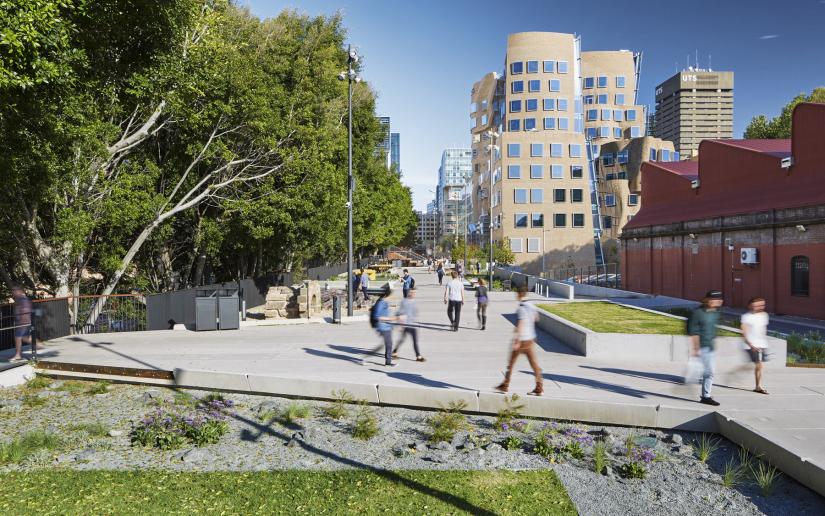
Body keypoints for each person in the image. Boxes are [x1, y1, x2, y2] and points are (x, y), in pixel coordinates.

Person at [495, 286, 543, 396]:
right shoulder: (531, 305)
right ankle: (539, 387)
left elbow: (521, 323)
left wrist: (517, 339)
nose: (516, 296)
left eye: (517, 294)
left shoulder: (521, 307)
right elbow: (537, 318)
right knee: (534, 364)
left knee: (511, 363)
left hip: (522, 340)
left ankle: (505, 385)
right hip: (530, 339)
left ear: (520, 294)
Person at [688, 290, 724, 406]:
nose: (716, 301)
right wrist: (696, 348)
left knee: (708, 372)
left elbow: (713, 328)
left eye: (718, 299)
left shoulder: (716, 313)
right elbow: (693, 331)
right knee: (709, 372)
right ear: (707, 300)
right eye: (713, 299)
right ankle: (706, 397)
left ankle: (705, 394)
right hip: (702, 347)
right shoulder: (697, 313)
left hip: (710, 347)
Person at [742, 296, 769, 394]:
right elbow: (744, 332)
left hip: (762, 344)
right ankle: (758, 386)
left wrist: (764, 342)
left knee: (760, 366)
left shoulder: (764, 315)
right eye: (757, 305)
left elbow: (763, 329)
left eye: (762, 305)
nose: (760, 307)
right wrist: (750, 344)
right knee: (759, 365)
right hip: (751, 345)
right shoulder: (746, 317)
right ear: (750, 305)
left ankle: (757, 385)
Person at [393, 287, 425, 362]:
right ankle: (394, 352)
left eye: (414, 293)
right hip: (405, 325)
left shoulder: (414, 301)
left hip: (412, 325)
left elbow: (415, 313)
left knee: (414, 341)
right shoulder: (404, 301)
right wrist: (400, 324)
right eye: (412, 292)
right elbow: (399, 313)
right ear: (408, 293)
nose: (413, 294)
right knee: (401, 340)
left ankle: (418, 356)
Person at [370, 286, 396, 367]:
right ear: (386, 295)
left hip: (387, 326)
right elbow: (377, 316)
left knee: (389, 344)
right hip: (382, 326)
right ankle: (388, 361)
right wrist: (389, 318)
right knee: (389, 344)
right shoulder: (381, 302)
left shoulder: (384, 302)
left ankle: (388, 360)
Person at [11, 285, 33, 362]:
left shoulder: (23, 299)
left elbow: (25, 310)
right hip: (22, 322)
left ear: (20, 291)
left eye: (15, 290)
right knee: (25, 337)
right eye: (13, 290)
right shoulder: (19, 299)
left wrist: (22, 322)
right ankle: (39, 344)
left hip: (23, 322)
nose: (13, 292)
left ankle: (18, 355)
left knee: (18, 337)